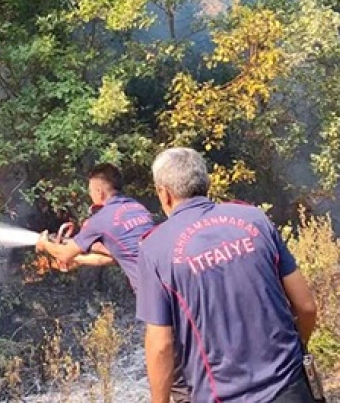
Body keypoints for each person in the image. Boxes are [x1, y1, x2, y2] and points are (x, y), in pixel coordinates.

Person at [137, 148, 319, 403]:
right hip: (289, 387)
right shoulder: (254, 219)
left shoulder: (155, 249)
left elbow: (161, 346)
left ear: (164, 193)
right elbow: (306, 306)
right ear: (207, 183)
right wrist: (295, 355)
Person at [36, 163, 192, 402]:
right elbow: (116, 257)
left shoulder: (102, 219)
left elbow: (63, 254)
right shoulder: (136, 209)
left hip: (158, 299)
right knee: (192, 364)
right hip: (182, 290)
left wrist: (44, 244)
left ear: (99, 192)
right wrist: (80, 260)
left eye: (90, 191)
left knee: (176, 374)